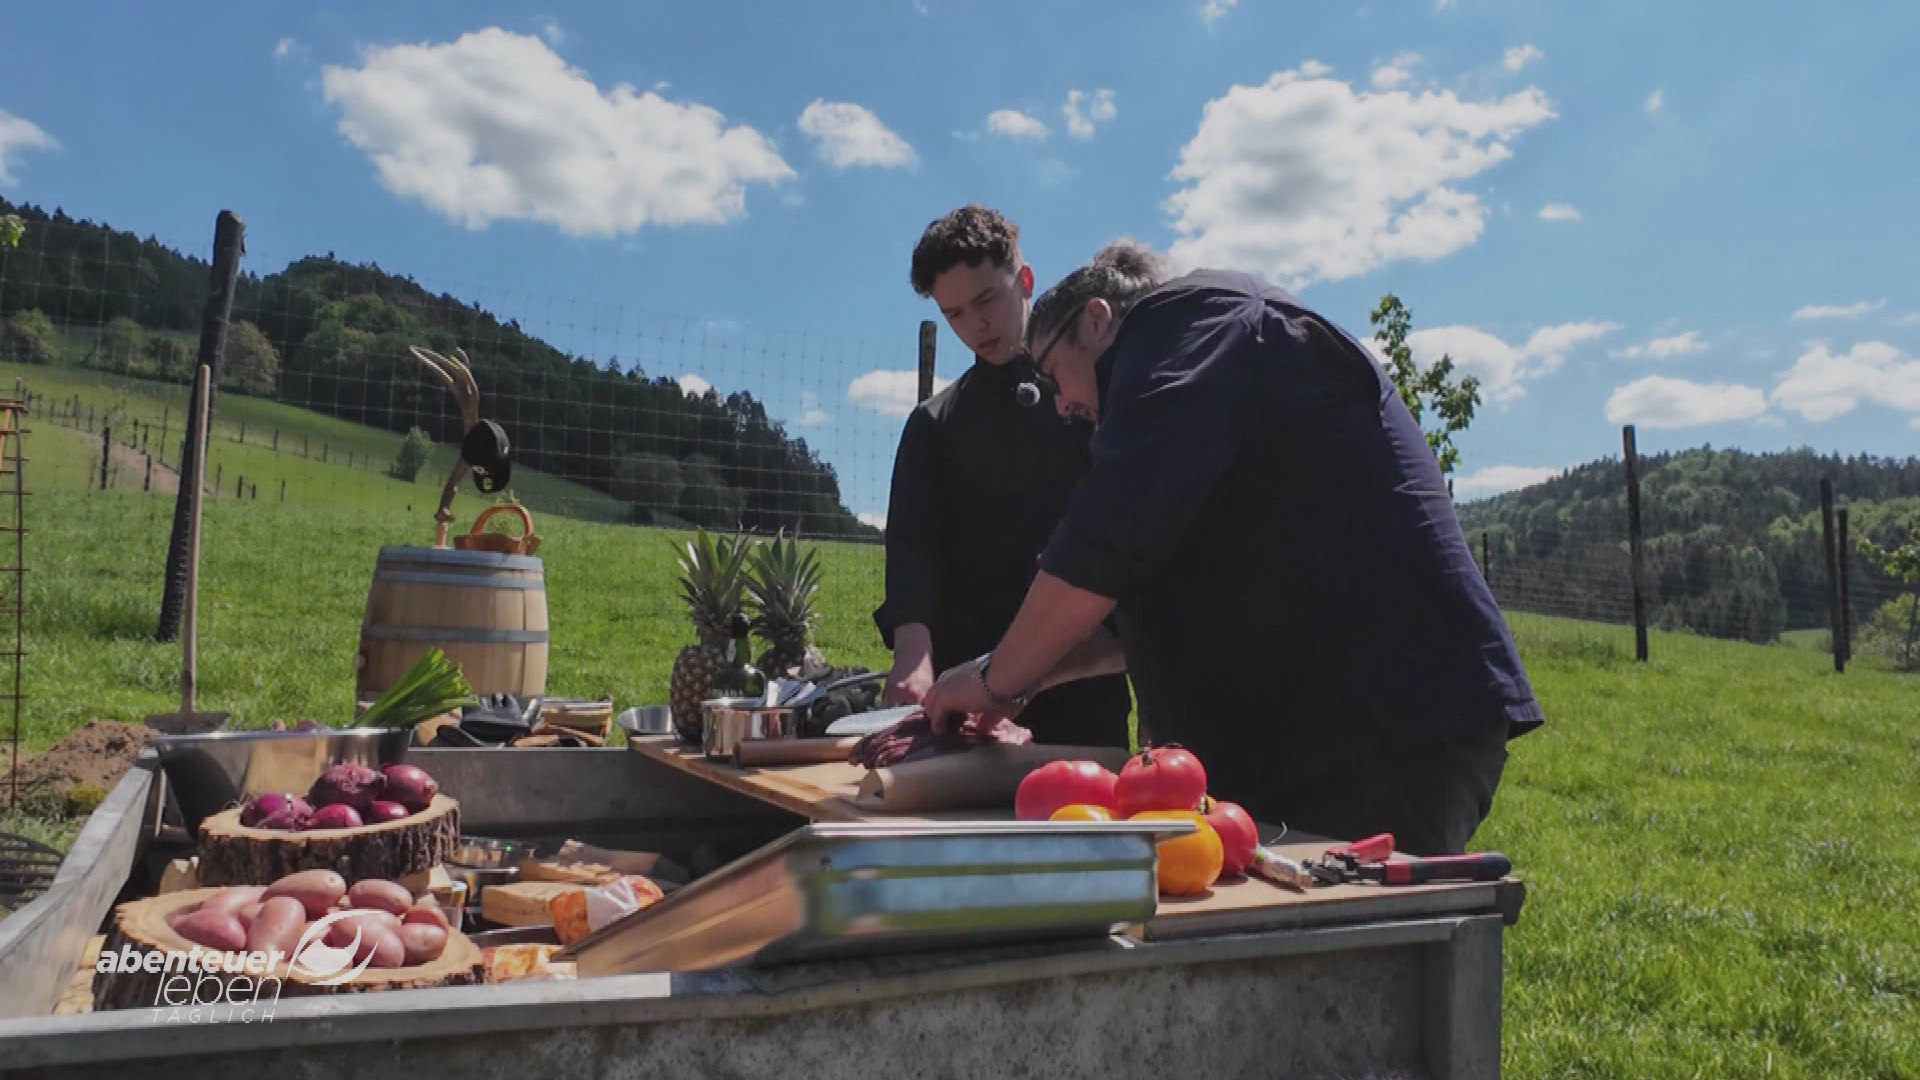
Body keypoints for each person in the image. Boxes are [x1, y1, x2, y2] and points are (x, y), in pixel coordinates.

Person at [920, 240, 1545, 855]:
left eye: (1056, 374)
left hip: (1379, 725)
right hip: (1337, 733)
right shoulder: (1200, 384)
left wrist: (993, 679)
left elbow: (1106, 533)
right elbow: (1125, 624)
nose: (1062, 408)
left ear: (1097, 320)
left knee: (1346, 947)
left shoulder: (1190, 324)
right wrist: (1026, 681)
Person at [872, 206, 1133, 750]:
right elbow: (912, 550)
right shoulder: (932, 424)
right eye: (955, 314)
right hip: (967, 697)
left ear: (1026, 280)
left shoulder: (1090, 397)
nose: (976, 326)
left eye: (987, 300)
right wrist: (912, 659)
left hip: (1085, 686)